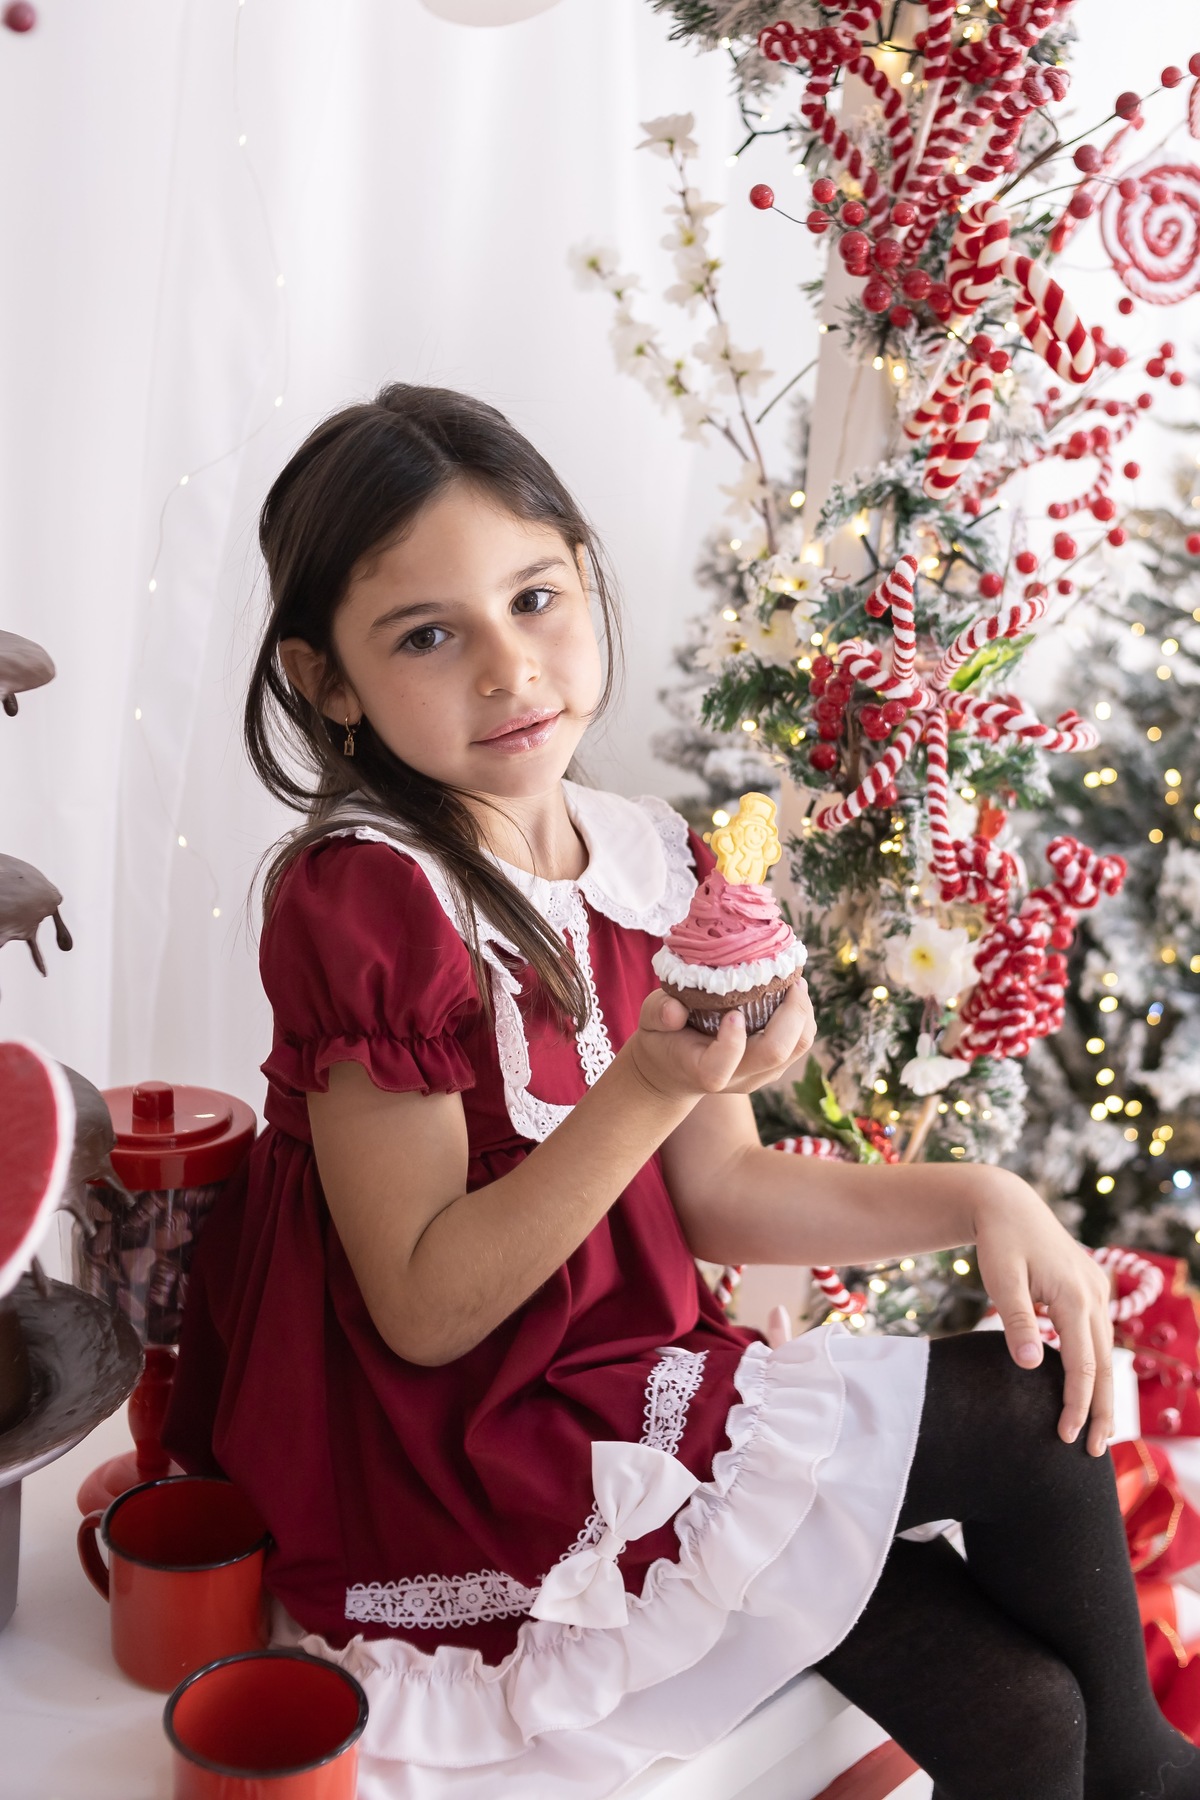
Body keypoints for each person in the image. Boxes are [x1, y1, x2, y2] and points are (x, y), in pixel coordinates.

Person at [166, 384, 1200, 1800]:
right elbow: (421, 1308)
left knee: (1026, 1717)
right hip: (465, 1448)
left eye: (535, 598)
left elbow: (719, 1192)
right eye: (427, 634)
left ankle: (1138, 1771)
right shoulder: (370, 903)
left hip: (619, 1387)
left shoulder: (647, 858)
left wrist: (983, 1196)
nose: (507, 668)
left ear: (587, 575)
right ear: (326, 681)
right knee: (1025, 1424)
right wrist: (649, 1080)